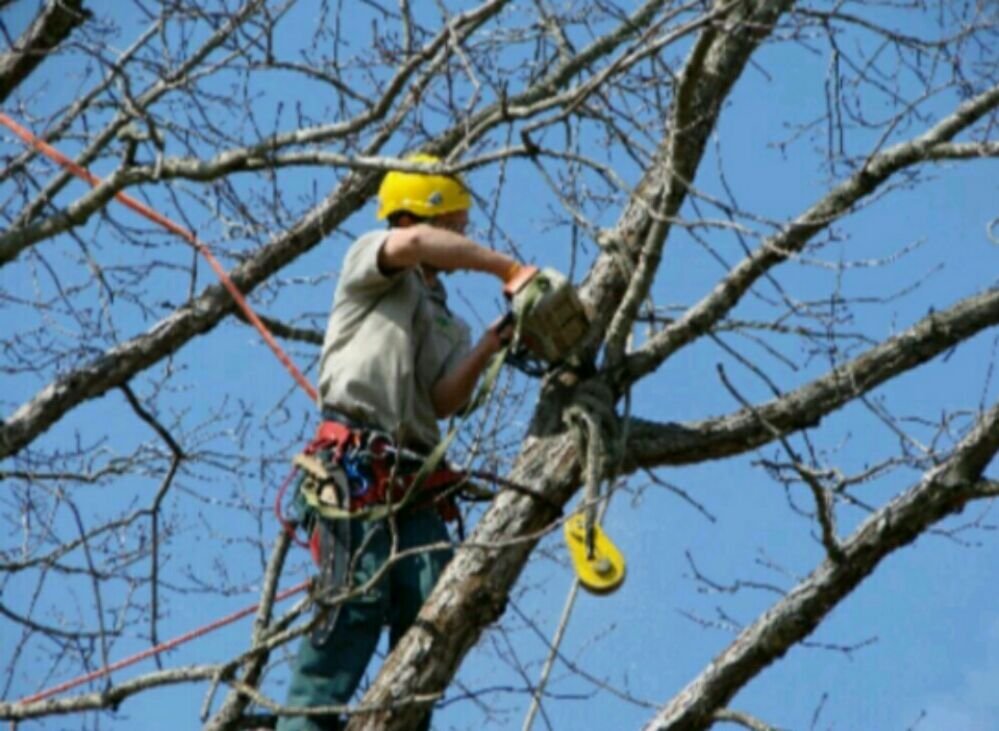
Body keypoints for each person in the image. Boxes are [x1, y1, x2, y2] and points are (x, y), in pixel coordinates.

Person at [277, 154, 524, 731]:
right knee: (353, 609)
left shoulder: (443, 314)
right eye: (454, 228)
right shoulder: (375, 258)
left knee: (436, 608)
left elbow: (442, 400)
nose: (460, 240)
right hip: (354, 469)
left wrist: (491, 344)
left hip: (413, 480)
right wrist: (506, 268)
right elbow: (412, 244)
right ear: (422, 215)